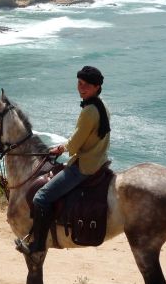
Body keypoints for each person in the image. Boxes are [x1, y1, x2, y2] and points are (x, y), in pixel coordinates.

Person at [15, 65, 111, 256]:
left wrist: (61, 148)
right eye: (79, 83)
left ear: (97, 87)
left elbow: (75, 143)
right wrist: (66, 146)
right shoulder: (102, 105)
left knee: (41, 198)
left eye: (87, 85)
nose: (81, 88)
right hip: (100, 160)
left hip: (85, 166)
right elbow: (83, 137)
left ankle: (38, 245)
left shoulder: (89, 111)